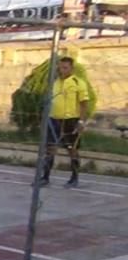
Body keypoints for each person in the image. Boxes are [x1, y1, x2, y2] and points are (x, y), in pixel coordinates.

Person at [39, 56, 89, 188]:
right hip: (54, 119)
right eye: (60, 67)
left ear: (71, 68)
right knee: (50, 148)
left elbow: (84, 103)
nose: (62, 70)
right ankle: (45, 177)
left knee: (71, 148)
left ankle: (74, 178)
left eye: (65, 67)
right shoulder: (55, 82)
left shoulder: (78, 83)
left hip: (71, 120)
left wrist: (81, 122)